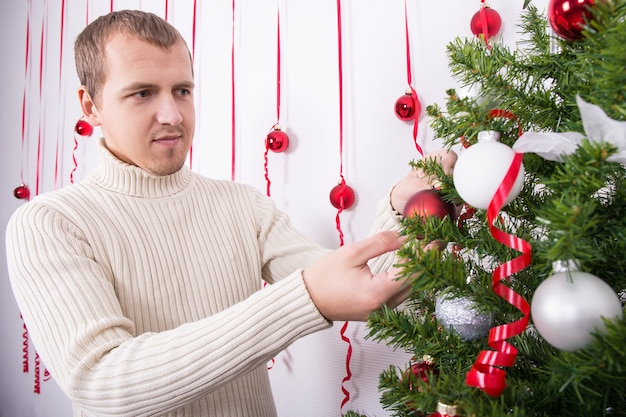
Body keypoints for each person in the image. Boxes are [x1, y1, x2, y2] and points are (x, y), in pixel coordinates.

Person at [5, 10, 457, 417]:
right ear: (90, 106)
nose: (172, 115)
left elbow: (367, 287)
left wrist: (405, 206)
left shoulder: (243, 206)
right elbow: (103, 383)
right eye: (142, 93)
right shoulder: (50, 224)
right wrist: (305, 298)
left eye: (182, 90)